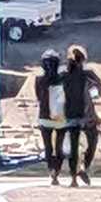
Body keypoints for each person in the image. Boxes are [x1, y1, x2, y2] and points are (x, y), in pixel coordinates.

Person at [61, 44, 101, 186]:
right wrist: (92, 94)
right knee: (92, 142)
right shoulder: (87, 74)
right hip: (87, 115)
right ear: (83, 60)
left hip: (71, 114)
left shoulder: (64, 75)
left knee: (74, 146)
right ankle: (84, 167)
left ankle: (74, 178)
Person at [34, 49, 68, 185]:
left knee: (48, 146)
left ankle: (51, 171)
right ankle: (57, 171)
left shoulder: (39, 80)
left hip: (44, 116)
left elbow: (39, 97)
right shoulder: (63, 79)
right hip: (60, 116)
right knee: (59, 146)